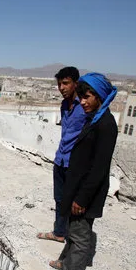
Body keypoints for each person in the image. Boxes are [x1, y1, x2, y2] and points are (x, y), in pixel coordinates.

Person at [45, 73, 118, 270]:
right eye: (82, 97)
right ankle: (66, 263)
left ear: (100, 96)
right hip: (77, 188)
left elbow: (99, 167)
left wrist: (82, 197)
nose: (83, 102)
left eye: (87, 98)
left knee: (80, 236)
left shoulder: (105, 125)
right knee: (73, 229)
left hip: (85, 193)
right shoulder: (94, 119)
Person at [37, 67, 87, 243]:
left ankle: (74, 243)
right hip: (60, 159)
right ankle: (59, 232)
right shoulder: (64, 105)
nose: (62, 88)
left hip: (75, 163)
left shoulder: (85, 106)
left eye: (65, 83)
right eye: (59, 84)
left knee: (75, 204)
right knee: (59, 199)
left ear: (75, 83)